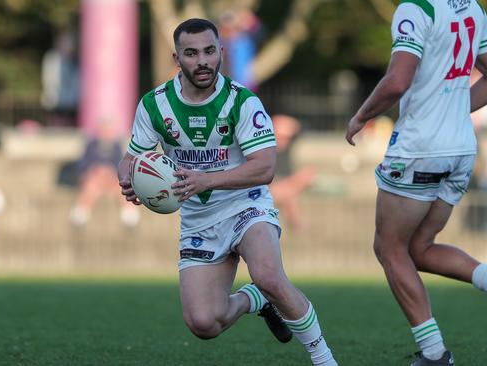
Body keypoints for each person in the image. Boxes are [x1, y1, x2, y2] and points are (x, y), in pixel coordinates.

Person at [118, 19, 338, 366]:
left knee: (268, 274)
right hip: (198, 219)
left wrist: (206, 180)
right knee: (204, 323)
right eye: (191, 53)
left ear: (220, 52)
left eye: (209, 51)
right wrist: (128, 178)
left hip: (245, 205)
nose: (202, 61)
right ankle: (256, 300)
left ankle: (324, 358)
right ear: (177, 58)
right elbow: (132, 155)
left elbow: (265, 168)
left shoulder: (242, 102)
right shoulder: (154, 105)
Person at [345, 1, 487, 365]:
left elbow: (397, 81)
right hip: (461, 150)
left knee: (389, 248)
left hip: (420, 150)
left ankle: (434, 354)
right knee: (419, 248)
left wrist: (361, 116)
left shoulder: (415, 10)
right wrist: (449, 116)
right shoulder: (472, 8)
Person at [69, 121, 140, 228]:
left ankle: (129, 214)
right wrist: (95, 171)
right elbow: (83, 165)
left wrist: (109, 172)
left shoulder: (116, 146)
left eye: (109, 131)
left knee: (123, 187)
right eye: (104, 131)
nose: (107, 134)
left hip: (112, 180)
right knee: (92, 185)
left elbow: (121, 165)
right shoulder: (91, 145)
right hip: (94, 179)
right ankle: (81, 212)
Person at [269, 114, 316, 231]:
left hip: (286, 184)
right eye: (280, 136)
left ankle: (296, 225)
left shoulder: (289, 146)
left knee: (308, 173)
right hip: (271, 187)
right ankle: (296, 225)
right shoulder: (266, 149)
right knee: (289, 195)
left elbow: (297, 125)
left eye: (286, 137)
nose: (283, 140)